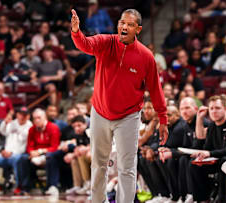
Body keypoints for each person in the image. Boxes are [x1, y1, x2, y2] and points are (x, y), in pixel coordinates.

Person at [71, 8, 168, 203]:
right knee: (98, 164)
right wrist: (76, 32)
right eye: (122, 23)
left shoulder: (146, 56)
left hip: (129, 116)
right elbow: (86, 44)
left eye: (130, 24)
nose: (124, 27)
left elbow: (156, 90)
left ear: (138, 29)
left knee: (127, 167)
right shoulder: (106, 42)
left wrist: (163, 118)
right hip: (100, 112)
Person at [0, 106, 32, 191]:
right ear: (17, 115)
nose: (22, 117)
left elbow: (24, 146)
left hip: (19, 154)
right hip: (5, 154)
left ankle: (18, 185)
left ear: (28, 116)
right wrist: (5, 122)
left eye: (25, 115)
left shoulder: (30, 127)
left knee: (18, 159)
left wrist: (11, 153)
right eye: (20, 114)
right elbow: (2, 131)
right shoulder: (12, 123)